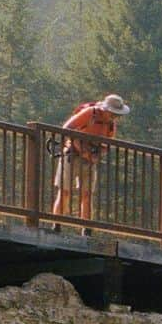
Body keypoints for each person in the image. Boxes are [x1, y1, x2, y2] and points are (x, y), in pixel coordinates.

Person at [51, 93, 131, 225]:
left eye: (117, 114)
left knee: (87, 195)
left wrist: (96, 156)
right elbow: (67, 128)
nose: (115, 117)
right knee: (65, 192)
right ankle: (56, 225)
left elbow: (106, 144)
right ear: (105, 110)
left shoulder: (111, 124)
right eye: (113, 113)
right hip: (72, 156)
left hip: (90, 161)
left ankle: (86, 230)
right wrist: (80, 147)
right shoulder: (90, 113)